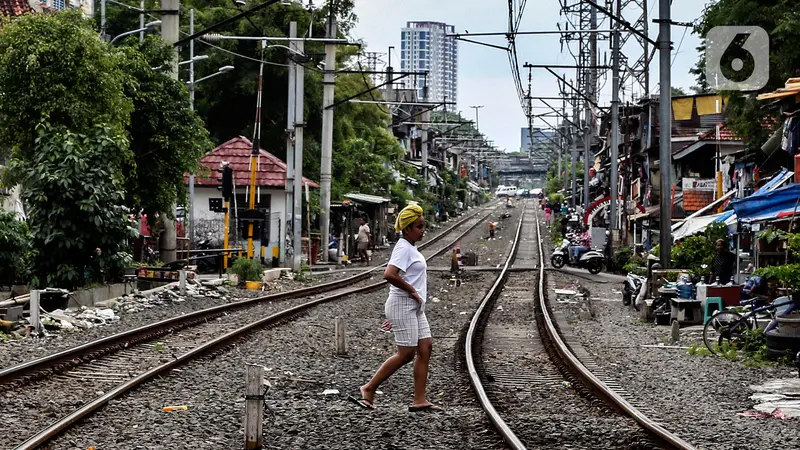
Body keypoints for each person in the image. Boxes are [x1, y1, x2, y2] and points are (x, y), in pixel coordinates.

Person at [355, 204, 441, 412]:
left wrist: (416, 297)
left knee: (425, 347)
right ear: (407, 229)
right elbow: (389, 274)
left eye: (423, 226)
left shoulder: (411, 247)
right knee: (406, 353)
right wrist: (411, 290)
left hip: (413, 306)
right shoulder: (403, 247)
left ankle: (419, 399)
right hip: (403, 303)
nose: (423, 231)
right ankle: (369, 388)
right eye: (419, 227)